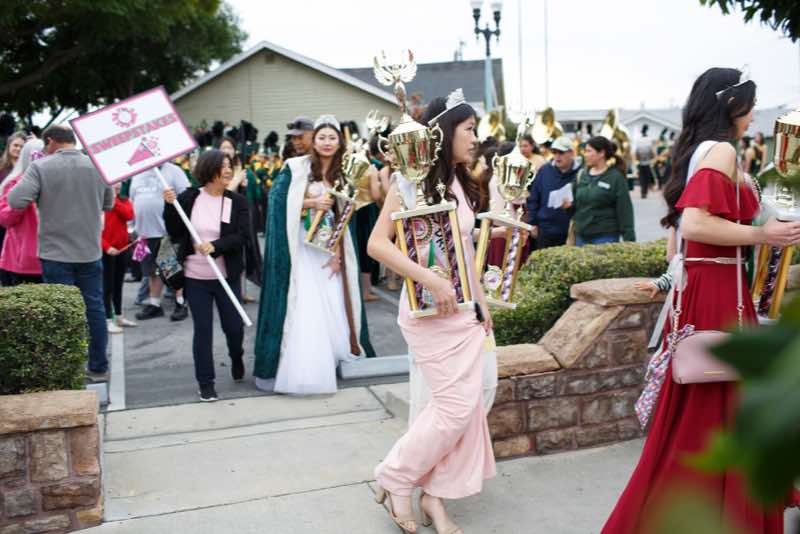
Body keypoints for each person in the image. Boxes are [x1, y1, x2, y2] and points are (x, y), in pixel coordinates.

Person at [602, 67, 800, 534]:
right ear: (732, 105)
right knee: (718, 408)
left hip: (709, 287)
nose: (752, 115)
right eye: (750, 106)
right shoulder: (722, 150)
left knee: (705, 411)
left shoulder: (698, 151)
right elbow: (694, 223)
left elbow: (684, 237)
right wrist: (762, 235)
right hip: (717, 292)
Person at [368, 92, 495, 534]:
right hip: (427, 314)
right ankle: (395, 477)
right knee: (454, 409)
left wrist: (481, 302)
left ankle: (434, 495)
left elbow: (463, 251)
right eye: (469, 129)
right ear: (445, 133)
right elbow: (377, 244)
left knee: (470, 406)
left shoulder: (461, 182)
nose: (475, 139)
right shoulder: (409, 182)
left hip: (464, 313)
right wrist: (430, 278)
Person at [253, 115, 375, 395]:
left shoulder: (345, 172)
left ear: (339, 142)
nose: (327, 142)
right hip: (301, 249)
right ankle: (303, 364)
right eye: (322, 137)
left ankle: (334, 356)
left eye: (332, 138)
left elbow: (346, 215)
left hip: (329, 248)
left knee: (333, 300)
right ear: (314, 141)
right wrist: (311, 202)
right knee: (305, 300)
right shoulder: (296, 167)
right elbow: (278, 202)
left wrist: (338, 254)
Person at [8, 125, 114, 380]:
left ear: (50, 141)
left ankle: (67, 369)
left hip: (55, 253)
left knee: (62, 312)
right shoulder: (97, 165)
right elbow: (109, 203)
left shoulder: (40, 167)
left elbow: (15, 200)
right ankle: (98, 364)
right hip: (89, 251)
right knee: (94, 308)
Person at [163, 150, 249, 402]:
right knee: (202, 330)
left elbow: (242, 236)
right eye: (223, 166)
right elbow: (174, 230)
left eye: (230, 165)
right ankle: (206, 382)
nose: (228, 170)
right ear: (208, 169)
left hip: (226, 276)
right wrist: (169, 205)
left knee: (233, 327)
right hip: (195, 277)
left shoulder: (237, 201)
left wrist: (216, 246)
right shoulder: (189, 197)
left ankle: (236, 356)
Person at [129, 162, 190, 321]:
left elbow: (187, 197)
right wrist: (132, 228)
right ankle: (155, 305)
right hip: (143, 233)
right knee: (151, 272)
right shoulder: (137, 173)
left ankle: (180, 303)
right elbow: (132, 200)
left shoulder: (174, 171)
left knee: (172, 271)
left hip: (165, 232)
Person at [572, 136, 636, 245]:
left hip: (605, 237)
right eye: (585, 151)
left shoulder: (616, 178)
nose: (585, 154)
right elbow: (575, 206)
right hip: (581, 237)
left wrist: (629, 241)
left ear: (601, 153)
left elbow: (625, 211)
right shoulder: (581, 175)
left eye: (589, 151)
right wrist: (567, 206)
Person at [0, 138, 44, 285]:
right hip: (20, 262)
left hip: (53, 260)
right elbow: (4, 219)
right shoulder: (14, 183)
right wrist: (23, 197)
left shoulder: (57, 183)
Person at [527, 135, 581, 248]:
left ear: (571, 153)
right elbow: (533, 198)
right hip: (545, 230)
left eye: (561, 152)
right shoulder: (544, 170)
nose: (557, 156)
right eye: (554, 152)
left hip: (570, 231)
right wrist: (532, 223)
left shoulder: (580, 173)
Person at [102, 182, 136, 334]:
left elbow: (129, 215)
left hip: (122, 249)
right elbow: (95, 228)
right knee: (107, 286)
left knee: (118, 285)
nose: (117, 185)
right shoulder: (100, 201)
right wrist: (106, 247)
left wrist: (114, 200)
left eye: (119, 183)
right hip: (107, 250)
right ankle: (107, 319)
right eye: (113, 183)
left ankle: (119, 316)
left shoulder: (123, 200)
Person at [0, 131, 27, 286]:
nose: (18, 149)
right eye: (15, 145)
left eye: (22, 147)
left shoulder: (28, 169)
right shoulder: (2, 168)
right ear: (9, 146)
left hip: (18, 218)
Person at [634, 125, 656, 199]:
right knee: (646, 178)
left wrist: (638, 158)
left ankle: (643, 192)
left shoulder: (638, 140)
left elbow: (636, 153)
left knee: (642, 178)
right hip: (647, 163)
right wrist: (651, 157)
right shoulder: (649, 140)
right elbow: (652, 153)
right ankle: (645, 192)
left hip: (640, 163)